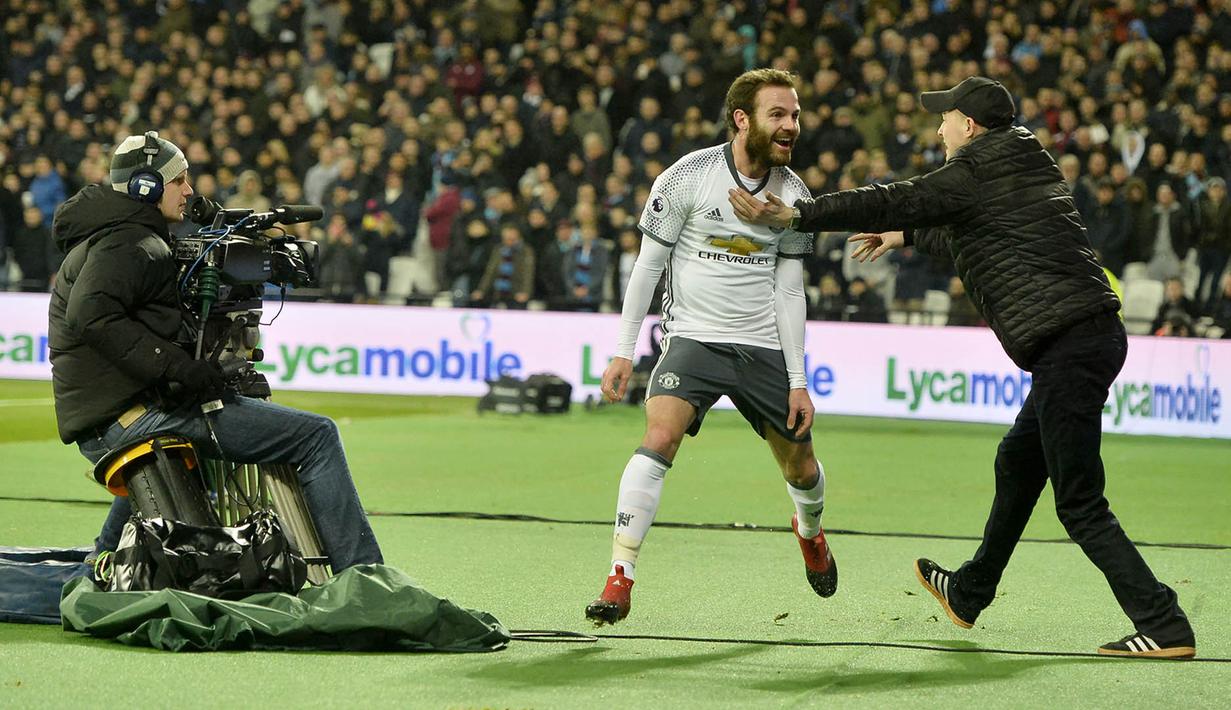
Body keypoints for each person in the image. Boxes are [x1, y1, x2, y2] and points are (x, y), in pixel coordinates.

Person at [729, 76, 1195, 658]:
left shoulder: (974, 170)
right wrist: (907, 236)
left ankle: (1165, 623)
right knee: (1018, 463)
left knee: (1080, 502)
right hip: (1086, 337)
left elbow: (897, 196)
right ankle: (970, 592)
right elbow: (980, 238)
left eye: (945, 117)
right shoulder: (1025, 162)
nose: (939, 126)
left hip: (1069, 346)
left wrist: (800, 214)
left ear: (969, 126)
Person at [48, 131, 383, 575]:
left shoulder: (114, 232)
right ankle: (365, 577)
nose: (189, 191)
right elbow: (91, 316)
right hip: (126, 417)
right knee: (317, 435)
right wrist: (180, 367)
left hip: (111, 414)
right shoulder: (126, 242)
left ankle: (102, 562)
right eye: (179, 181)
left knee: (191, 453)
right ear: (145, 186)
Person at [586, 69, 836, 626]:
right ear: (742, 119)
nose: (791, 125)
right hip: (692, 340)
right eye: (779, 114)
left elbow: (789, 290)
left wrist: (798, 380)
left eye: (795, 114)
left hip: (763, 347)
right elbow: (647, 267)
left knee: (801, 470)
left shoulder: (795, 197)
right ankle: (619, 577)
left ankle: (810, 532)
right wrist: (624, 349)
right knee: (658, 435)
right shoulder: (687, 178)